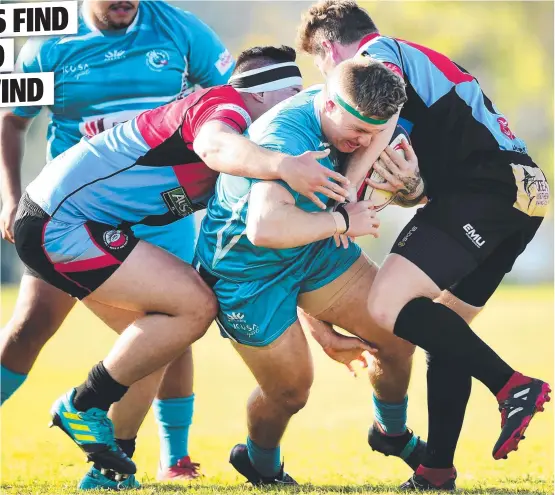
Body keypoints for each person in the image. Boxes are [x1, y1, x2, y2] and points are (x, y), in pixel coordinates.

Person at [13, 44, 350, 485]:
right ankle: (83, 405)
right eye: (291, 96)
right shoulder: (222, 106)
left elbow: (278, 248)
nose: (295, 113)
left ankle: (110, 471)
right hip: (61, 220)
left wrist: (318, 322)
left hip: (80, 222)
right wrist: (284, 165)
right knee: (193, 307)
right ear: (264, 93)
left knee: (159, 335)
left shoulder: (250, 152)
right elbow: (213, 145)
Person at [297, 0, 551, 490]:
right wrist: (409, 187)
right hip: (521, 195)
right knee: (443, 330)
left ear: (329, 47)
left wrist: (345, 195)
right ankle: (436, 470)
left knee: (387, 303)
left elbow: (381, 124)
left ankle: (511, 386)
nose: (328, 78)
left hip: (486, 190)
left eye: (320, 64)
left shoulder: (376, 56)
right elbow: (418, 189)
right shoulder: (410, 79)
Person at [0, 0, 235, 487]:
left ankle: (170, 458)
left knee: (170, 326)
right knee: (29, 326)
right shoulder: (47, 44)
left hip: (161, 211)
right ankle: (109, 452)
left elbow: (233, 99)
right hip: (75, 213)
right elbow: (11, 120)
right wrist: (10, 197)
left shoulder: (180, 28)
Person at [193, 56, 430, 485]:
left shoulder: (363, 113)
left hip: (313, 248)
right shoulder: (285, 136)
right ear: (329, 104)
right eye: (356, 131)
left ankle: (390, 433)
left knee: (397, 333)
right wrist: (343, 220)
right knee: (291, 391)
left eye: (372, 134)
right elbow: (264, 228)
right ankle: (260, 463)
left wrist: (349, 191)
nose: (363, 141)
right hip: (246, 272)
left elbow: (391, 116)